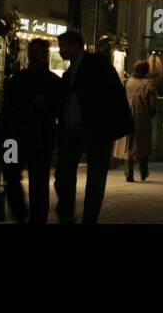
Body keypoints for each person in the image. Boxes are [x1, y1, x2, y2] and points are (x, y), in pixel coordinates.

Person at [54, 29, 133, 224]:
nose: (61, 51)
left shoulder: (95, 64)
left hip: (94, 129)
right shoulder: (71, 72)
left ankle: (86, 217)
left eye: (64, 46)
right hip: (76, 129)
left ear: (75, 46)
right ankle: (69, 214)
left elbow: (110, 94)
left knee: (94, 176)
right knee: (67, 174)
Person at [0, 38, 63, 224]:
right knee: (39, 179)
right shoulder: (54, 82)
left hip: (12, 139)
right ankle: (36, 217)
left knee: (12, 175)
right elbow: (57, 112)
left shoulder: (17, 80)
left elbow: (6, 110)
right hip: (39, 138)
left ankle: (20, 213)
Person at [124, 60, 158, 183]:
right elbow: (152, 102)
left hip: (128, 114)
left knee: (129, 143)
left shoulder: (129, 82)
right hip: (141, 115)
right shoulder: (149, 83)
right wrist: (152, 111)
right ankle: (143, 172)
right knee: (142, 143)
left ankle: (129, 173)